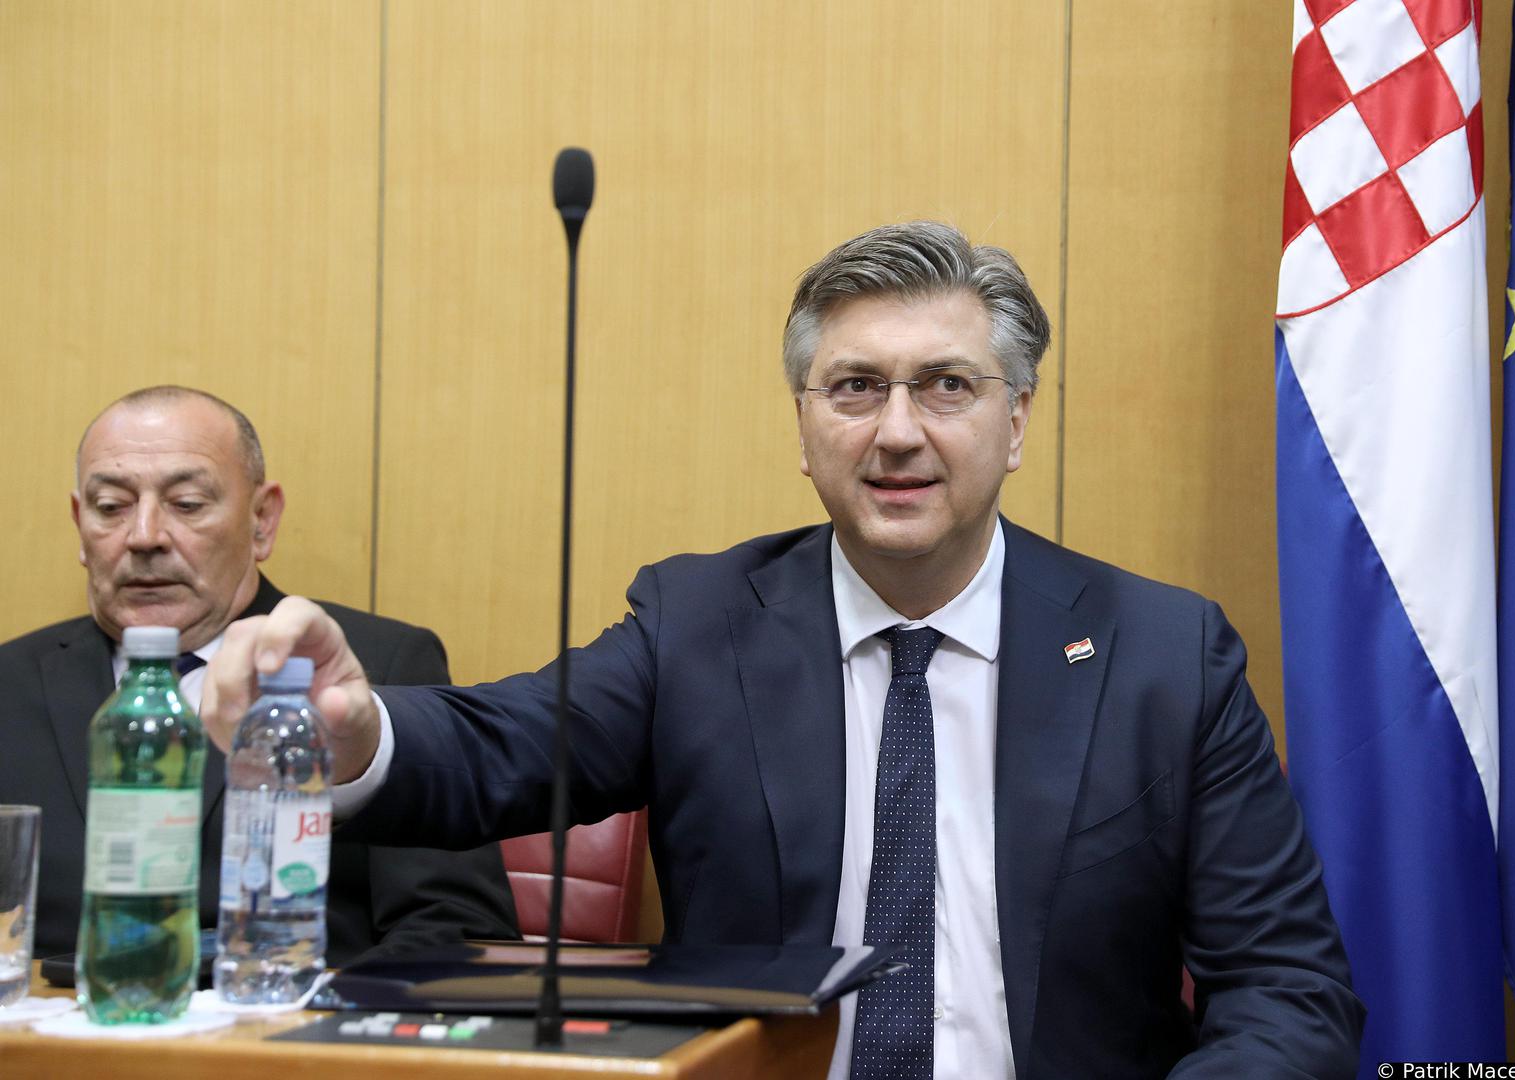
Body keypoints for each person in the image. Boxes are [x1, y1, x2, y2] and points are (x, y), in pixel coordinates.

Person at [204, 223, 1364, 1077]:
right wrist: (357, 733)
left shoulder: (1160, 654)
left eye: (946, 387)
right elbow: (501, 746)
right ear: (804, 428)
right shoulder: (699, 623)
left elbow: (1287, 991)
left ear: (1014, 422)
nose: (897, 431)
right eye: (853, 388)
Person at [0, 386, 519, 965]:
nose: (144, 536)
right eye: (111, 507)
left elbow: (455, 931)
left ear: (262, 520)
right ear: (80, 523)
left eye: (188, 503)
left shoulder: (375, 667)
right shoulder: (8, 683)